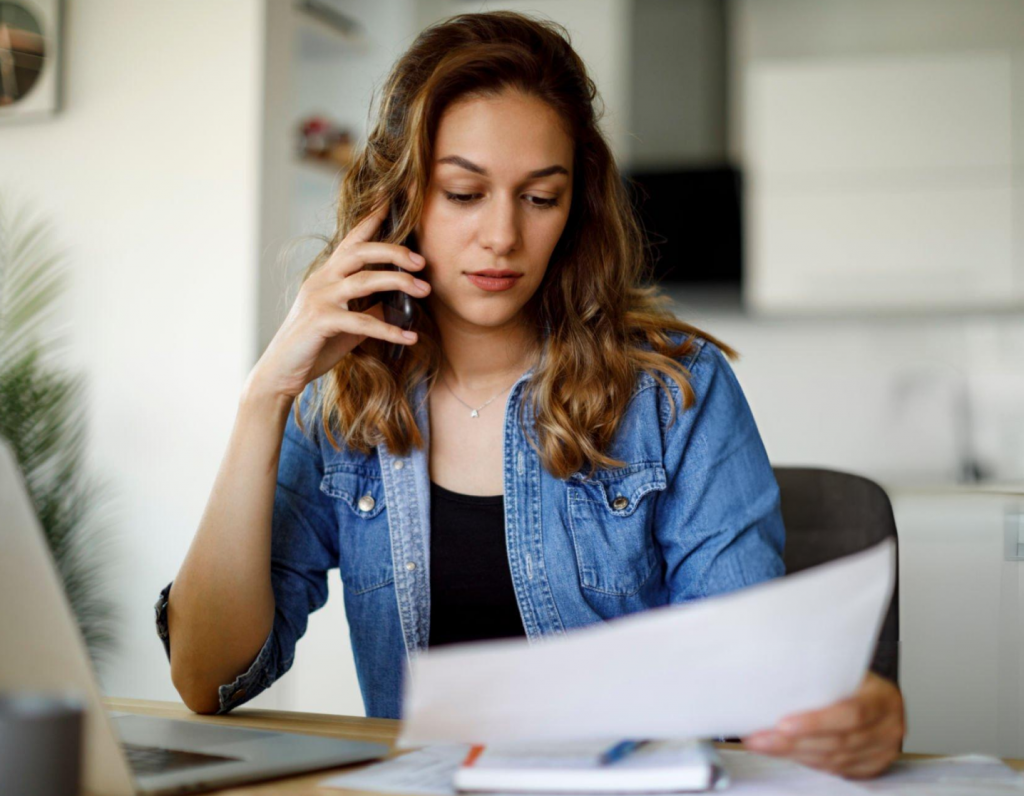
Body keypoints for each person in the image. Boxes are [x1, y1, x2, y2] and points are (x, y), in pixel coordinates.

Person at [155, 10, 904, 779]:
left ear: (574, 208)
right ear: (401, 201)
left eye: (539, 198)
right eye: (463, 193)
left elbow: (752, 688)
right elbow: (206, 679)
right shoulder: (340, 404)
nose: (503, 236)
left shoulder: (673, 393)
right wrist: (266, 395)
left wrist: (854, 710)